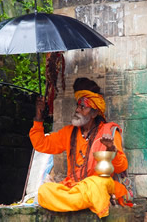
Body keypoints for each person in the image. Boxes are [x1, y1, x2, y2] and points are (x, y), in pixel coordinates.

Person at [29, 77, 128, 218]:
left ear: (94, 113)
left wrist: (112, 148)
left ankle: (77, 201)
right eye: (78, 105)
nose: (77, 110)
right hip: (74, 187)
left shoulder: (109, 131)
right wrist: (38, 118)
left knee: (95, 185)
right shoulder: (69, 132)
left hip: (99, 184)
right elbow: (41, 144)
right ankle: (80, 201)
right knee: (44, 191)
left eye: (83, 107)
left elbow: (122, 167)